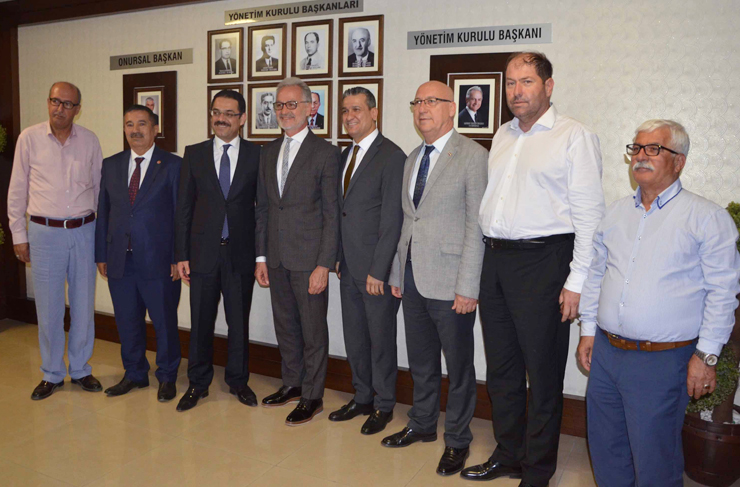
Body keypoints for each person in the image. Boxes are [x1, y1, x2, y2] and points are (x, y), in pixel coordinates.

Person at [463, 52, 605, 487]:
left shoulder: (574, 136)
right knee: (502, 369)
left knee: (542, 374)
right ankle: (509, 454)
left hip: (545, 262)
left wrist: (576, 282)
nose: (516, 91)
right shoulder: (502, 135)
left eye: (526, 81)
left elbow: (590, 219)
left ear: (548, 86)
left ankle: (538, 471)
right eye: (510, 83)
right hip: (496, 260)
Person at [577, 119, 740, 487]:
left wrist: (706, 357)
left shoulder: (707, 218)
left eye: (653, 149)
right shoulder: (616, 213)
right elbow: (595, 275)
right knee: (607, 449)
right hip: (606, 353)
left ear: (678, 161)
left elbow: (722, 293)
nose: (641, 156)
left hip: (662, 362)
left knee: (655, 461)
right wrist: (588, 331)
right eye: (636, 148)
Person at [383, 81, 488, 477]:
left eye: (431, 101)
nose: (422, 108)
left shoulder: (473, 156)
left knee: (458, 367)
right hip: (412, 277)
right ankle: (423, 423)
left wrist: (468, 286)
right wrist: (398, 272)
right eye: (417, 102)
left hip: (451, 282)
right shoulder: (412, 157)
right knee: (421, 361)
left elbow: (476, 226)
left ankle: (457, 439)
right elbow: (409, 221)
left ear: (451, 108)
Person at [7, 81, 103, 400]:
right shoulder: (29, 138)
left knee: (83, 303)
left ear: (77, 109)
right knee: (48, 307)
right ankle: (51, 372)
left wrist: (102, 237)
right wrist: (18, 235)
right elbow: (17, 191)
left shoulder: (89, 140)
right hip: (44, 232)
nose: (59, 108)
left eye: (67, 104)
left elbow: (99, 190)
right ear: (48, 103)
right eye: (55, 101)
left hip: (84, 230)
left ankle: (81, 369)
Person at [254, 77, 340, 425]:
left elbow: (332, 214)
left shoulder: (326, 153)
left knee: (313, 331)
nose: (285, 111)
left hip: (309, 261)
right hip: (275, 257)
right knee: (286, 326)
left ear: (310, 107)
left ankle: (313, 395)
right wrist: (261, 257)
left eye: (292, 104)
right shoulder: (267, 152)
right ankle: (292, 383)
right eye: (279, 105)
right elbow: (263, 208)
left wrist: (324, 265)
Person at [174, 89, 261, 411]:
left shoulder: (256, 155)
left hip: (241, 254)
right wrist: (181, 255)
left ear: (242, 118)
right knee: (200, 322)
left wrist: (261, 256)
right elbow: (184, 208)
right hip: (202, 254)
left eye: (228, 113)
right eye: (216, 112)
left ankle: (238, 381)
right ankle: (198, 383)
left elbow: (262, 209)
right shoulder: (194, 153)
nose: (221, 118)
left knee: (239, 323)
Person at [329, 86, 405, 435]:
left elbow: (392, 220)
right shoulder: (345, 154)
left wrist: (380, 270)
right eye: (345, 110)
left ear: (374, 113)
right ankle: (361, 397)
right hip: (348, 267)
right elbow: (342, 212)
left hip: (376, 271)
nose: (349, 116)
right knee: (355, 338)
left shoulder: (391, 156)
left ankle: (384, 404)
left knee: (380, 340)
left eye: (357, 109)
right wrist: (338, 257)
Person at [95, 105, 182, 401]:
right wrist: (101, 254)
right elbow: (104, 211)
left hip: (160, 260)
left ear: (155, 129)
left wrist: (177, 257)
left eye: (142, 123)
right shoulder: (111, 164)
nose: (135, 130)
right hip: (120, 258)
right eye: (129, 124)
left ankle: (167, 376)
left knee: (164, 322)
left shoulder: (173, 165)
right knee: (127, 321)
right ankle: (134, 373)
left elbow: (181, 216)